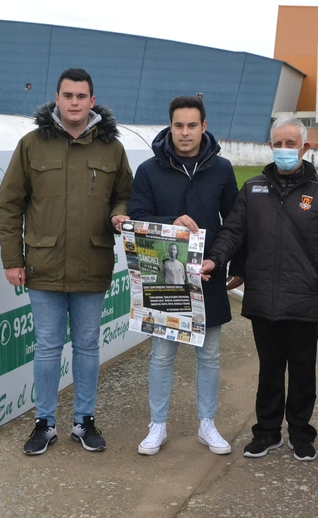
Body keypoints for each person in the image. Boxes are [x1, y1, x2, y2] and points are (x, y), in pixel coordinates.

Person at [0, 68, 133, 455]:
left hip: (92, 263)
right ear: (56, 98)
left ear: (93, 101)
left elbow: (124, 194)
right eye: (68, 95)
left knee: (88, 346)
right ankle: (44, 422)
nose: (74, 102)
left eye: (81, 96)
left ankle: (84, 421)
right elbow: (9, 206)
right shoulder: (31, 145)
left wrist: (119, 214)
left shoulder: (112, 148)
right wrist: (12, 259)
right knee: (47, 347)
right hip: (43, 265)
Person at [200, 117, 318, 461]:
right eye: (278, 143)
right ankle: (267, 432)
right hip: (263, 297)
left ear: (305, 148)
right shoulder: (253, 188)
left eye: (290, 144)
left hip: (306, 299)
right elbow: (233, 232)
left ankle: (301, 432)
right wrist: (214, 260)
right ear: (271, 146)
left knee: (302, 370)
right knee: (269, 370)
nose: (284, 150)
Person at [129, 95, 243, 456]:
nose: (185, 132)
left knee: (208, 356)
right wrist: (170, 223)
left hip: (207, 277)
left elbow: (235, 223)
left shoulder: (222, 169)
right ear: (170, 126)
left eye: (192, 125)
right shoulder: (149, 170)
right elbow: (137, 219)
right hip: (166, 285)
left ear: (204, 127)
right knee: (162, 356)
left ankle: (207, 423)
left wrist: (222, 261)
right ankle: (157, 424)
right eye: (178, 125)